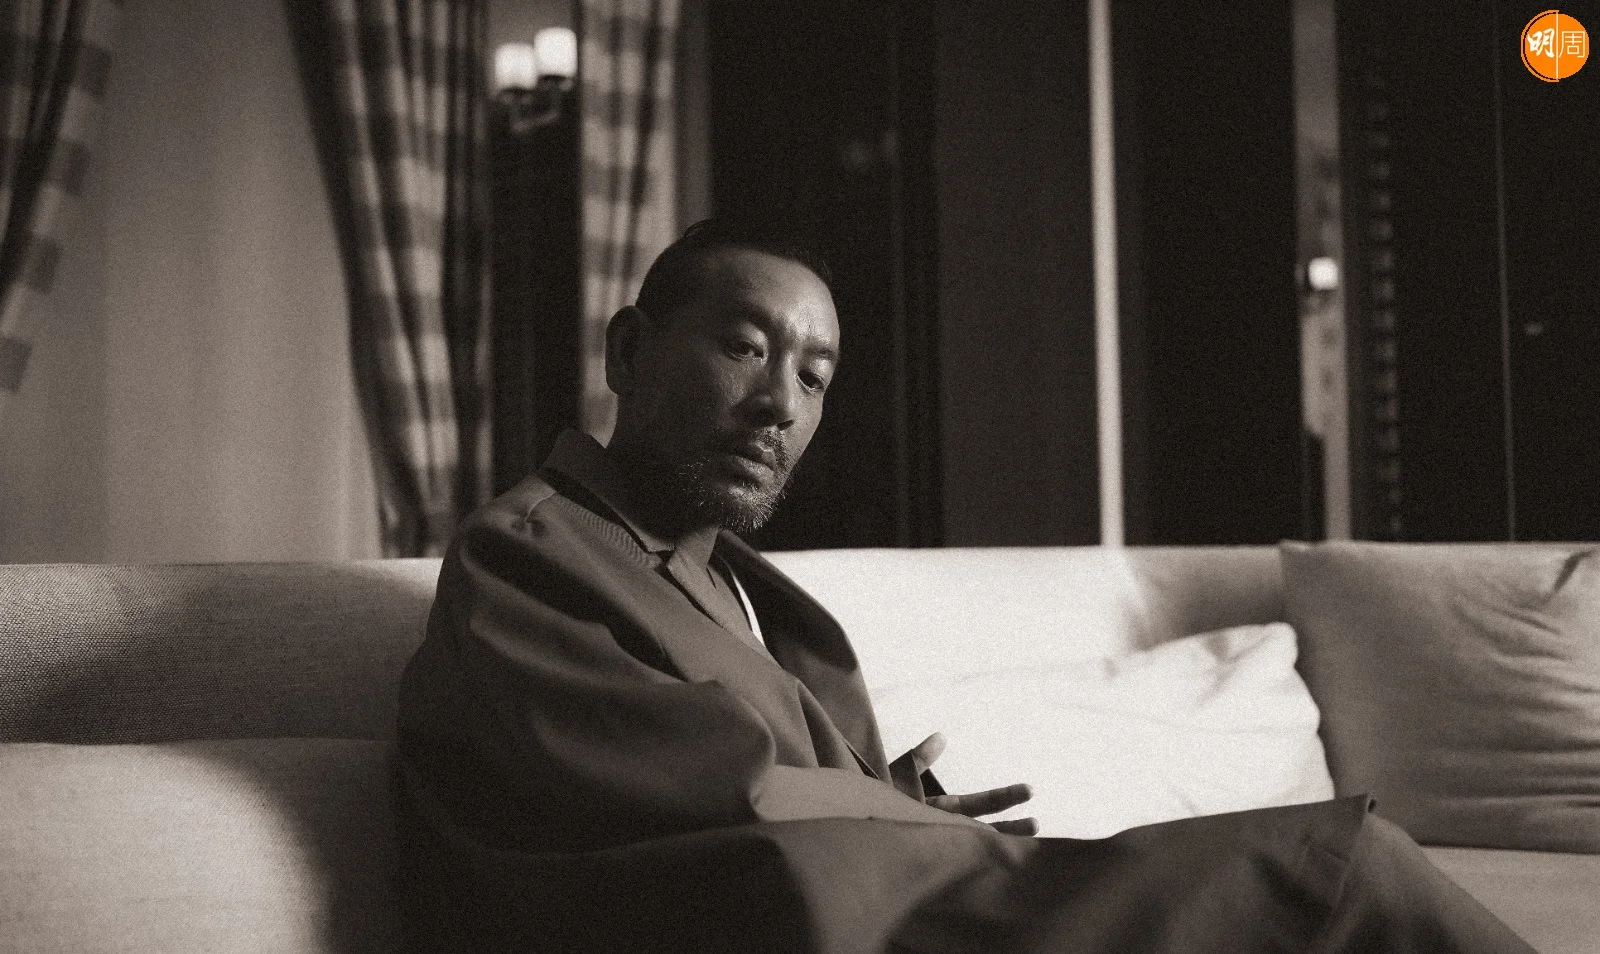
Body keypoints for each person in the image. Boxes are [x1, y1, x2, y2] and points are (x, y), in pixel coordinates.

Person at [395, 219, 1533, 953]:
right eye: (744, 348)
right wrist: (893, 819)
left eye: (814, 375)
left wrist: (888, 794)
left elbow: (752, 776)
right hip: (804, 925)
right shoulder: (528, 553)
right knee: (1343, 870)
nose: (781, 405)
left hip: (883, 896)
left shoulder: (731, 581)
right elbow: (720, 793)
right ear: (628, 352)